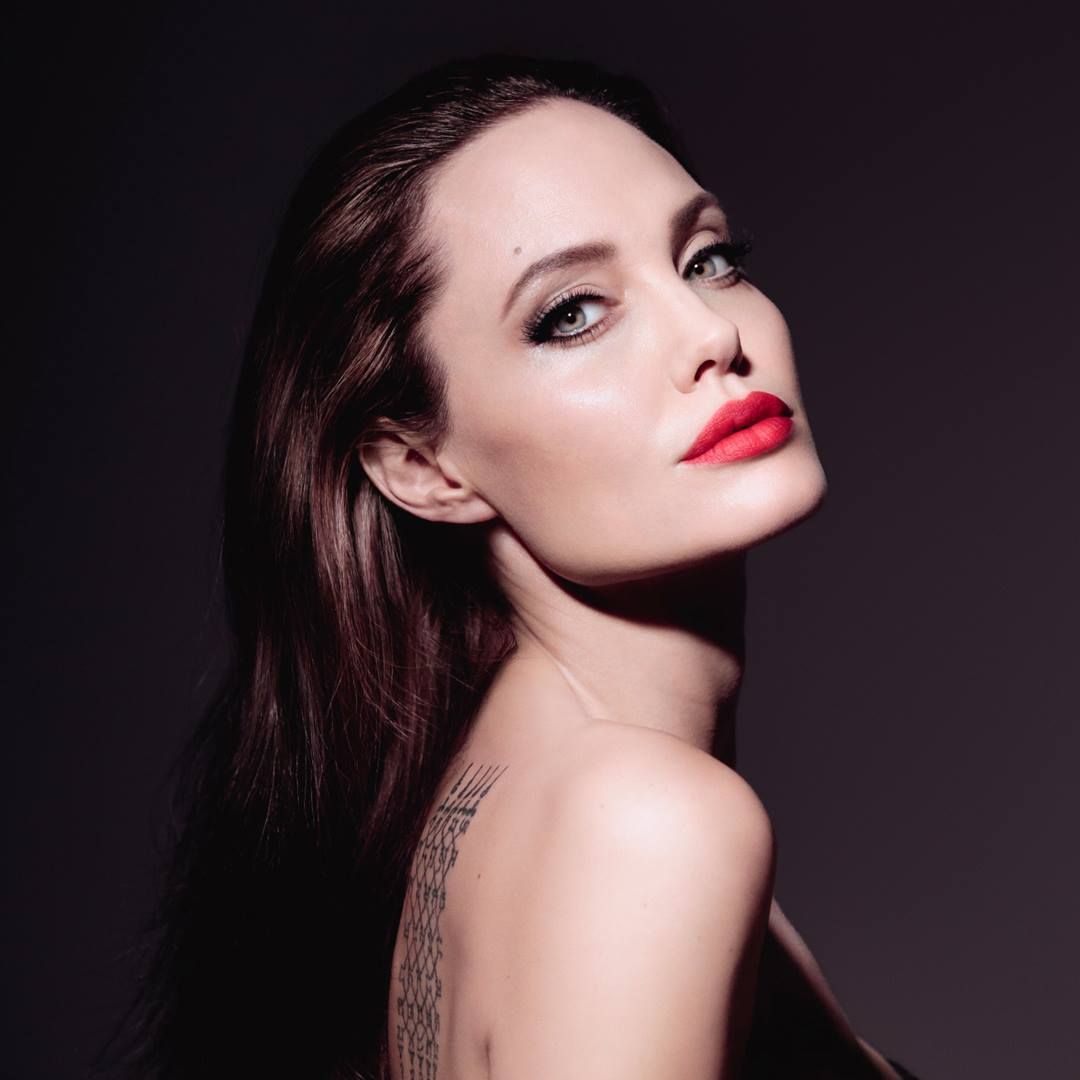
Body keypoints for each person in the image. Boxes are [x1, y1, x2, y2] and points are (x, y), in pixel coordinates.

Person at [99, 53, 924, 1080]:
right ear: (423, 467)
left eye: (707, 259)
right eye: (571, 313)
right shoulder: (644, 829)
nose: (712, 333)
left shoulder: (496, 801)